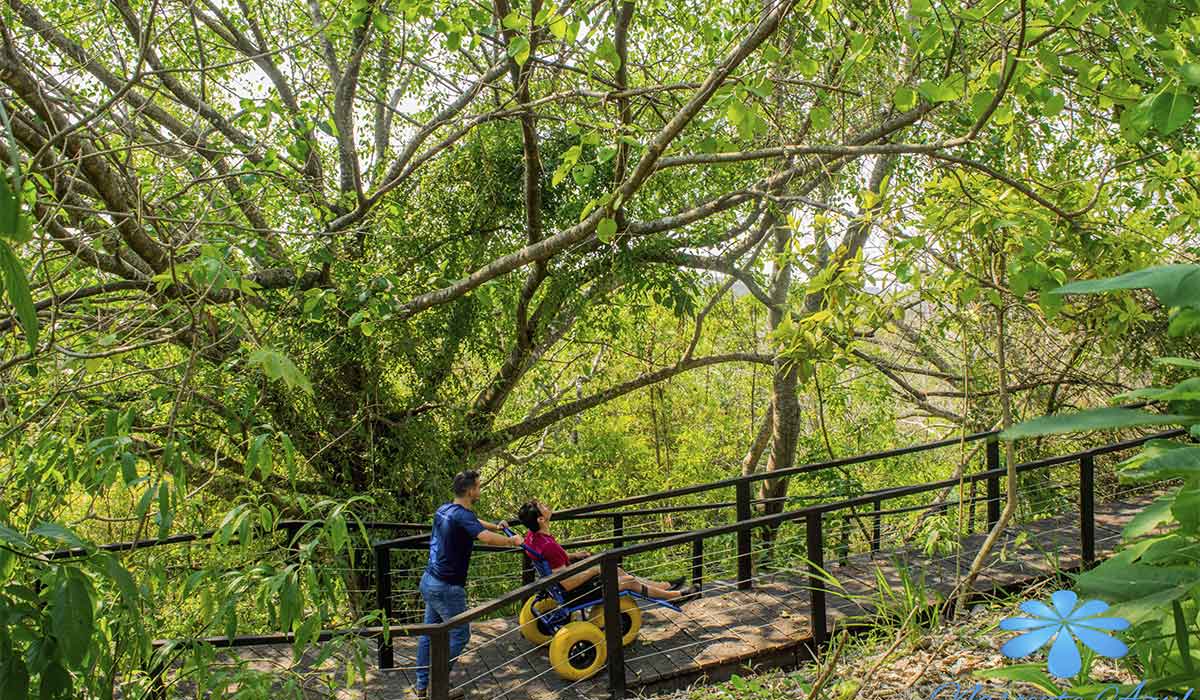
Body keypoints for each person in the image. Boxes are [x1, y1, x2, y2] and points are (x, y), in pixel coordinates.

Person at [414, 470, 522, 698]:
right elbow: (485, 538)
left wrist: (495, 526)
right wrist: (511, 541)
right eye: (479, 487)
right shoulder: (462, 516)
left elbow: (473, 523)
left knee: (428, 634)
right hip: (446, 587)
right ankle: (438, 685)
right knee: (460, 635)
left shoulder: (445, 509)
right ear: (471, 490)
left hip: (429, 580)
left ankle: (423, 685)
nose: (479, 490)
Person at [515, 500, 699, 603]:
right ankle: (673, 596)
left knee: (618, 571)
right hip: (573, 593)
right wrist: (594, 570)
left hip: (560, 587)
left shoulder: (533, 538)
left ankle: (662, 586)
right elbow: (567, 582)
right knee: (628, 582)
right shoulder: (548, 544)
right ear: (540, 519)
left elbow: (553, 562)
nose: (547, 505)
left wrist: (575, 556)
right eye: (543, 506)